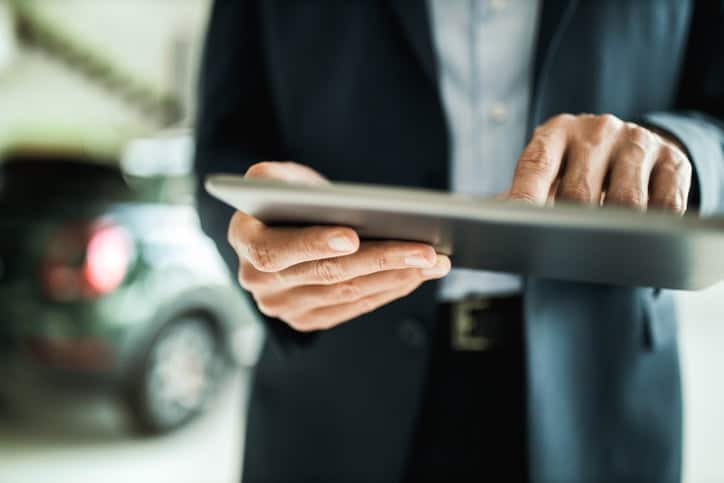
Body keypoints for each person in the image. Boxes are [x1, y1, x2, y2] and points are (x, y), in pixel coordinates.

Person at [194, 1, 724, 481]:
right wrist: (269, 250)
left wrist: (675, 156)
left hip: (602, 393)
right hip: (337, 395)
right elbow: (223, 148)